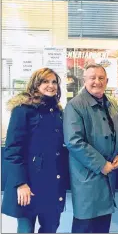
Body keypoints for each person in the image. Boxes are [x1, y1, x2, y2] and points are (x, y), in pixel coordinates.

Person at [2, 68, 69, 233]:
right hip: (28, 185)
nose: (51, 86)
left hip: (52, 183)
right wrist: (21, 183)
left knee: (51, 227)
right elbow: (12, 151)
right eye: (45, 81)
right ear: (35, 84)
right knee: (26, 229)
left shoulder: (58, 112)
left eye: (54, 82)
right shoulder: (23, 110)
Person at [63, 64, 118, 233]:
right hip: (87, 179)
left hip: (108, 178)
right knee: (85, 226)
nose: (97, 82)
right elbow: (74, 141)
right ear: (84, 81)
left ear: (107, 81)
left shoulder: (112, 104)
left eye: (101, 78)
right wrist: (101, 165)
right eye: (92, 78)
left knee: (102, 227)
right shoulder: (75, 105)